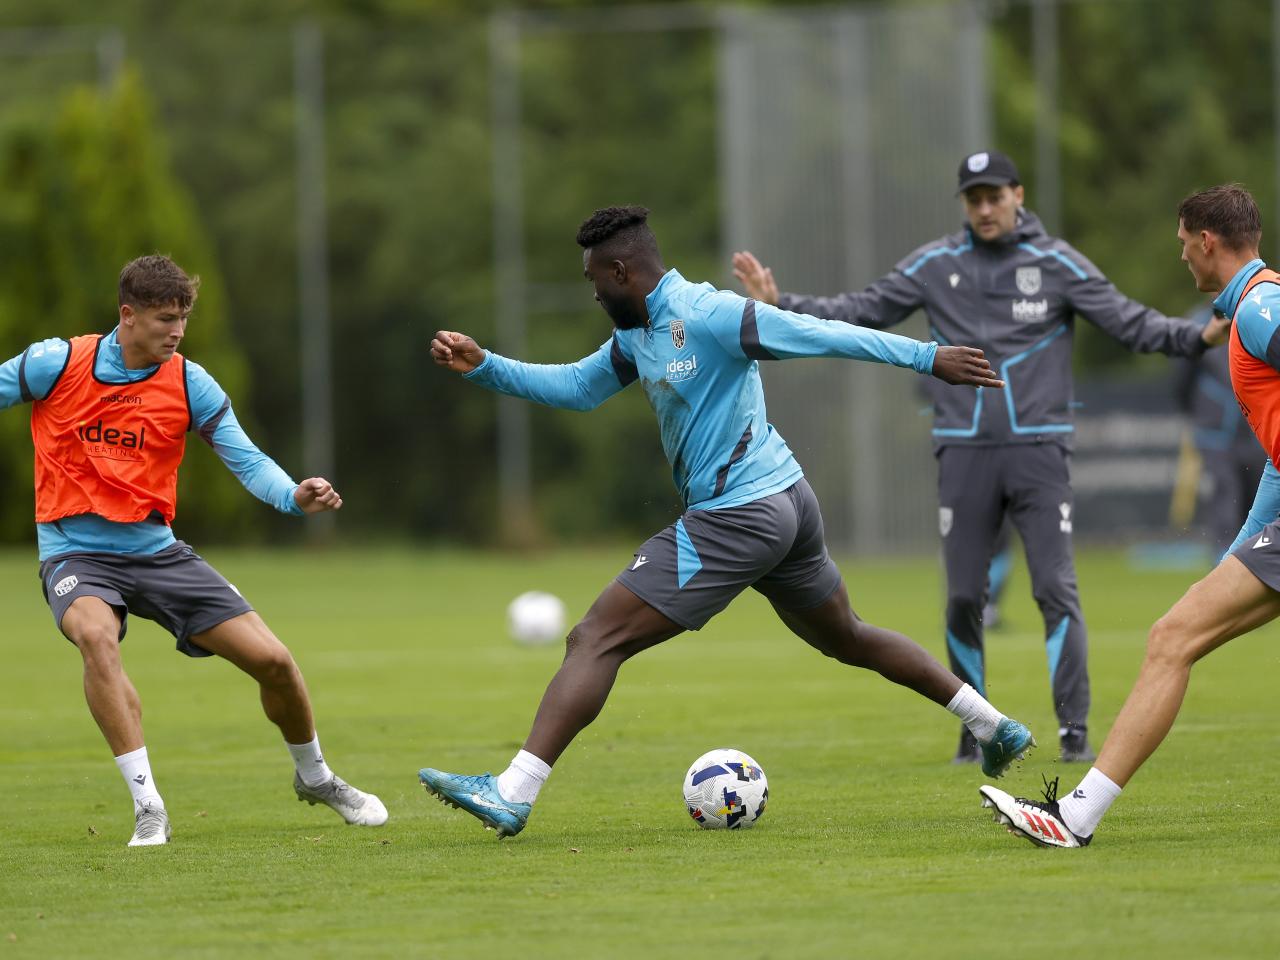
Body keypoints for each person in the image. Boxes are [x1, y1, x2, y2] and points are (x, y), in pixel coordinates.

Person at [420, 205, 1034, 839]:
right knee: (847, 635)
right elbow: (578, 387)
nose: (593, 291)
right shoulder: (638, 334)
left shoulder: (710, 314)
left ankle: (513, 791)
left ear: (621, 271)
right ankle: (993, 726)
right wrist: (486, 364)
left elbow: (821, 332)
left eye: (594, 279)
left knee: (595, 637)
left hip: (740, 516)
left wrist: (928, 357)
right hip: (787, 506)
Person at [732, 150, 1230, 766]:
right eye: (974, 199)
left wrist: (1197, 336)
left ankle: (1074, 733)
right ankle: (976, 730)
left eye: (996, 196)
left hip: (1040, 452)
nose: (986, 208)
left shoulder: (1057, 263)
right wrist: (785, 302)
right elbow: (861, 310)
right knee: (964, 597)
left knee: (1055, 591)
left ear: (1018, 195)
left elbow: (1131, 324)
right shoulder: (934, 265)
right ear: (964, 205)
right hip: (964, 454)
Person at [1, 255, 386, 846]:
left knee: (275, 663)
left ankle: (316, 778)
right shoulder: (58, 363)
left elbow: (247, 457)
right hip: (75, 554)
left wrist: (293, 494)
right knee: (97, 637)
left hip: (158, 552)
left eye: (183, 318)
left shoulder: (187, 381)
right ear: (127, 315)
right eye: (164, 319)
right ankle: (148, 805)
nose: (176, 330)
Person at [978, 183, 1277, 847]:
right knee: (1178, 635)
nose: (1181, 259)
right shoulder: (1254, 306)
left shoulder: (1258, 309)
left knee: (1172, 638)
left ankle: (1075, 817)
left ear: (1206, 241)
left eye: (1181, 245)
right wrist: (1242, 549)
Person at [1171, 307, 1264, 552]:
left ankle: (1253, 568)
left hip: (1258, 434)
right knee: (1225, 499)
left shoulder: (1260, 315)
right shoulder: (1199, 324)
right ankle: (1223, 563)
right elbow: (1182, 381)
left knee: (1257, 506)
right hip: (1215, 434)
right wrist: (1201, 415)